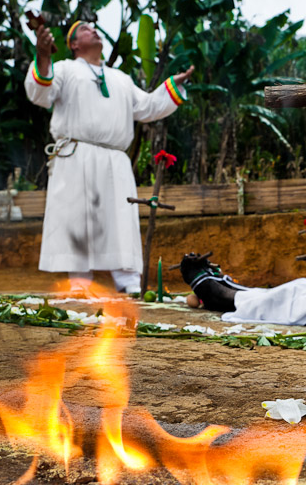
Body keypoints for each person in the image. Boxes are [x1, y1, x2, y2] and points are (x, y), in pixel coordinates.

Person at [25, 20, 194, 294]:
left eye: (93, 26)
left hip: (115, 160)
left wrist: (174, 84)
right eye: (83, 28)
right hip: (75, 155)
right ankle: (79, 283)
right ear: (74, 44)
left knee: (120, 220)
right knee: (76, 219)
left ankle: (128, 284)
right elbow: (41, 93)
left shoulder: (121, 79)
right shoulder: (65, 70)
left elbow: (148, 107)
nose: (92, 28)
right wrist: (43, 55)